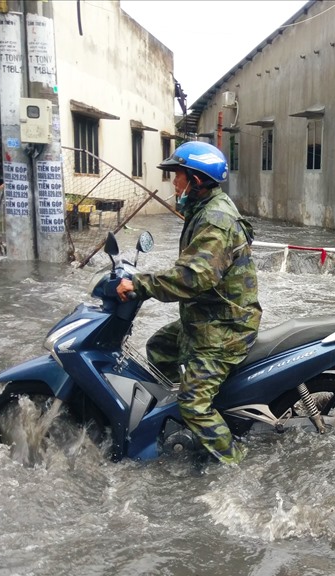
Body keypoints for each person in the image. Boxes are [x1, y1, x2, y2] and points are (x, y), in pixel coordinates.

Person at [116, 141, 262, 464]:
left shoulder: (216, 220)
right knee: (158, 349)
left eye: (177, 176)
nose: (173, 183)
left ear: (195, 182)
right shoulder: (202, 210)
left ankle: (237, 461)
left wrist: (141, 286)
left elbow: (193, 277)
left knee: (193, 402)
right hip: (206, 317)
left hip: (225, 328)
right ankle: (178, 424)